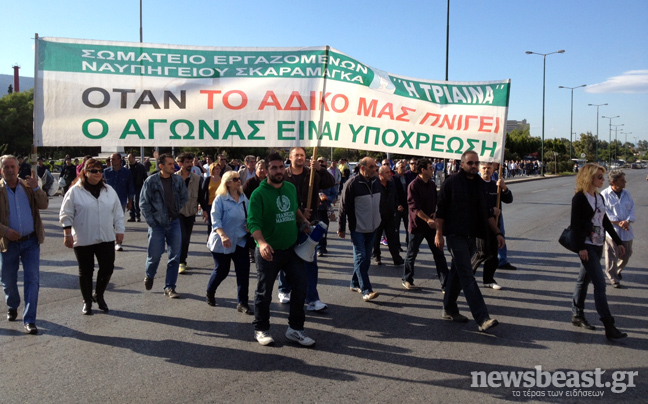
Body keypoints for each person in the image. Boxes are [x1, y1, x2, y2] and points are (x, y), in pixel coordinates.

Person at [247, 153, 315, 346]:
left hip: (292, 249)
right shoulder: (258, 194)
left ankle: (295, 329)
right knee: (264, 292)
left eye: (280, 167)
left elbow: (294, 210)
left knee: (301, 287)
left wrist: (304, 222)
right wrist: (261, 243)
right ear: (267, 170)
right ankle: (261, 329)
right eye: (274, 168)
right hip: (269, 252)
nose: (278, 171)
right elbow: (253, 223)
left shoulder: (290, 188)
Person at [435, 150, 501, 332]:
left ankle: (449, 308)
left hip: (472, 236)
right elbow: (440, 212)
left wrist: (497, 233)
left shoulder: (480, 185)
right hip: (455, 235)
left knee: (457, 273)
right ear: (462, 164)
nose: (473, 166)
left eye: (475, 163)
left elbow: (487, 214)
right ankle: (482, 318)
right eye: (470, 163)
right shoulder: (451, 183)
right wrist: (439, 234)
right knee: (467, 275)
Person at [59, 159, 125, 315]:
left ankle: (99, 295)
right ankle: (87, 301)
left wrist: (120, 230)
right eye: (93, 171)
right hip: (83, 237)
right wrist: (67, 234)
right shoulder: (75, 191)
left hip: (106, 236)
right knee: (86, 271)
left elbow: (118, 213)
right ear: (85, 172)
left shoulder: (109, 191)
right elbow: (66, 214)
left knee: (107, 267)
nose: (98, 173)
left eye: (100, 170)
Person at [569, 163, 627, 339]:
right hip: (587, 246)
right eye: (599, 177)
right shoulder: (579, 198)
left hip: (598, 244)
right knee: (600, 285)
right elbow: (575, 226)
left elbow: (605, 222)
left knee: (583, 280)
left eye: (603, 177)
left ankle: (577, 315)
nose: (603, 180)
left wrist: (618, 241)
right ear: (589, 178)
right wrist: (581, 248)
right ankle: (608, 325)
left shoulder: (598, 197)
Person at [278, 147, 335, 312]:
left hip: (309, 224)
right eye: (296, 155)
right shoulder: (284, 175)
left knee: (310, 261)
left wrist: (320, 170)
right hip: (288, 223)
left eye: (302, 155)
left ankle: (312, 299)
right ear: (290, 157)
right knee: (286, 259)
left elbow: (330, 183)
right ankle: (284, 289)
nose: (300, 158)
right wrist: (299, 211)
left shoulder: (312, 174)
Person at [0, 155, 48, 334]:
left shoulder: (28, 187)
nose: (10, 170)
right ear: (1, 170)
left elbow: (43, 204)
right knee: (8, 281)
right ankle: (12, 305)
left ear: (18, 168)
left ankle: (30, 319)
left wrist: (37, 188)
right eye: (6, 167)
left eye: (13, 166)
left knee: (32, 280)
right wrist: (6, 231)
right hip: (8, 243)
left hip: (30, 242)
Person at [140, 154, 188, 299]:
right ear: (161, 166)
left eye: (173, 163)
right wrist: (152, 221)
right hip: (157, 225)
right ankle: (149, 275)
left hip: (174, 222)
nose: (173, 166)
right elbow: (143, 203)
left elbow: (184, 197)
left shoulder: (178, 180)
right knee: (154, 255)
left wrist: (176, 208)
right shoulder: (151, 181)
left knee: (174, 257)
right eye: (169, 164)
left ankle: (170, 287)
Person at [206, 171, 252, 314]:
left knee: (243, 272)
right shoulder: (220, 199)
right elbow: (216, 221)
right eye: (235, 179)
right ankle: (210, 292)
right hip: (222, 242)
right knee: (222, 271)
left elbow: (250, 216)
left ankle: (242, 302)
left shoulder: (244, 198)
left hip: (240, 241)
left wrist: (249, 225)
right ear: (228, 182)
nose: (239, 181)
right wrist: (223, 235)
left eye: (239, 179)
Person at [338, 157, 382, 302]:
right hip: (358, 228)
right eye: (371, 167)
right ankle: (366, 290)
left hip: (373, 227)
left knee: (366, 259)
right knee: (361, 257)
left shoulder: (376, 182)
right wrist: (341, 228)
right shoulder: (352, 184)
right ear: (362, 168)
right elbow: (343, 207)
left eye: (375, 166)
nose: (374, 169)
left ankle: (354, 283)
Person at [402, 158, 449, 291]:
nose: (432, 170)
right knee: (412, 253)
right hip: (417, 226)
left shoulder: (432, 184)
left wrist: (434, 213)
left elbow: (436, 201)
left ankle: (446, 283)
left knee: (439, 253)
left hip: (431, 226)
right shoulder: (413, 185)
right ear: (423, 170)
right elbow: (414, 207)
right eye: (430, 168)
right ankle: (407, 279)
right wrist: (427, 219)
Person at [470, 161, 513, 289]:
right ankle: (466, 276)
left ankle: (488, 279)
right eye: (484, 168)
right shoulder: (474, 184)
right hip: (479, 224)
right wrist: (490, 211)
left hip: (495, 224)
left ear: (494, 169)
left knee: (493, 254)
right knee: (481, 252)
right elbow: (474, 206)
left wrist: (504, 188)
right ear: (479, 169)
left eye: (489, 168)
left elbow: (509, 199)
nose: (486, 170)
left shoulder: (496, 185)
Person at [601, 170, 634, 288]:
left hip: (626, 229)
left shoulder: (627, 194)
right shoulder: (604, 194)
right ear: (614, 182)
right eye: (622, 180)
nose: (625, 182)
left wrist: (627, 221)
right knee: (611, 255)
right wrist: (618, 222)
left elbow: (632, 208)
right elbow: (605, 212)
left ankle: (617, 271)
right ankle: (613, 277)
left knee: (627, 254)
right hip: (612, 230)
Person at [175, 153, 204, 274]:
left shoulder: (197, 179)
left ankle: (183, 260)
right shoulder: (174, 178)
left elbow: (202, 196)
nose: (190, 164)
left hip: (191, 212)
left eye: (191, 162)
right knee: (182, 237)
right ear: (180, 164)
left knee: (187, 238)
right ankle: (179, 262)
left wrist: (205, 210)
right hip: (178, 212)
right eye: (187, 162)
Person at [371, 165, 404, 266]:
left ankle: (396, 258)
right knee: (376, 238)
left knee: (392, 237)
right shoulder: (374, 185)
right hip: (378, 215)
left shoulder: (391, 184)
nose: (389, 174)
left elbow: (395, 196)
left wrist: (397, 205)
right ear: (380, 174)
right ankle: (377, 256)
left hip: (390, 215)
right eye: (387, 173)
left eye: (389, 172)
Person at [103, 153, 134, 251]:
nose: (112, 161)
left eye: (114, 159)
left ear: (120, 160)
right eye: (111, 159)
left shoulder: (126, 172)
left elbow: (130, 187)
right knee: (108, 222)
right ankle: (109, 241)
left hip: (121, 200)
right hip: (106, 201)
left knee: (118, 222)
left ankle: (118, 243)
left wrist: (130, 201)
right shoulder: (106, 172)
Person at [200, 162, 222, 237]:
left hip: (220, 204)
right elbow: (202, 193)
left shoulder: (222, 180)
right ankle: (210, 237)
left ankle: (218, 237)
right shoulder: (208, 180)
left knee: (218, 222)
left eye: (219, 168)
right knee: (211, 222)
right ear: (212, 170)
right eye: (217, 168)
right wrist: (202, 206)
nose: (218, 170)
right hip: (210, 204)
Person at [126, 153, 148, 223]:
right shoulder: (126, 167)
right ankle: (132, 216)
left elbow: (145, 176)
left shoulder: (140, 167)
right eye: (128, 158)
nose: (128, 159)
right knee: (130, 202)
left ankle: (138, 216)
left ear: (133, 158)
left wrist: (146, 186)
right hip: (129, 187)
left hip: (138, 186)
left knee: (136, 202)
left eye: (130, 158)